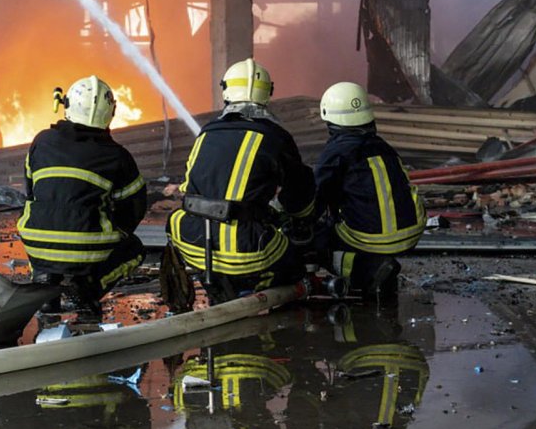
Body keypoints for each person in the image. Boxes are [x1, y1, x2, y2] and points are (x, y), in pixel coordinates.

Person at [167, 58, 315, 303]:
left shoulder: (206, 133)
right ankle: (256, 291)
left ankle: (220, 285)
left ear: (226, 91)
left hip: (194, 245)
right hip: (248, 249)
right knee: (296, 261)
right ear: (268, 93)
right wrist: (299, 217)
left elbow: (187, 189)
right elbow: (298, 197)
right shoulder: (276, 138)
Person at [16, 76, 147, 317]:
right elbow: (134, 209)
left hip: (36, 242)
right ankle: (88, 288)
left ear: (67, 106)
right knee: (135, 249)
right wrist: (113, 231)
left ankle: (45, 286)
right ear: (110, 112)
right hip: (88, 248)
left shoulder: (41, 141)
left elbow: (31, 191)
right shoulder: (117, 156)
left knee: (44, 222)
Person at [314, 81, 426, 301]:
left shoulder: (336, 152)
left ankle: (367, 271)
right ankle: (377, 265)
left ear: (329, 117)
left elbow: (314, 199)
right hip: (411, 232)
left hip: (372, 238)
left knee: (313, 238)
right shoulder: (384, 147)